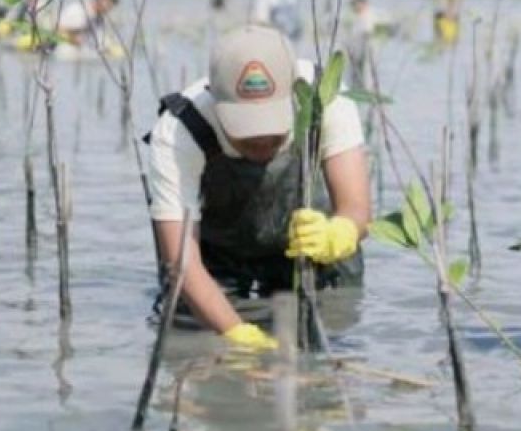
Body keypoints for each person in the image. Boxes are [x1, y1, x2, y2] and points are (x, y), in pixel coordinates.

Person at [145, 25, 370, 351]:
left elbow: (357, 208)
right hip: (218, 258)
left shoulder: (326, 99)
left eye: (273, 129)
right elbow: (183, 262)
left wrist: (340, 233)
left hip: (310, 249)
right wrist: (237, 336)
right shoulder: (180, 129)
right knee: (200, 347)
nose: (262, 141)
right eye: (246, 132)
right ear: (216, 101)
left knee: (328, 347)